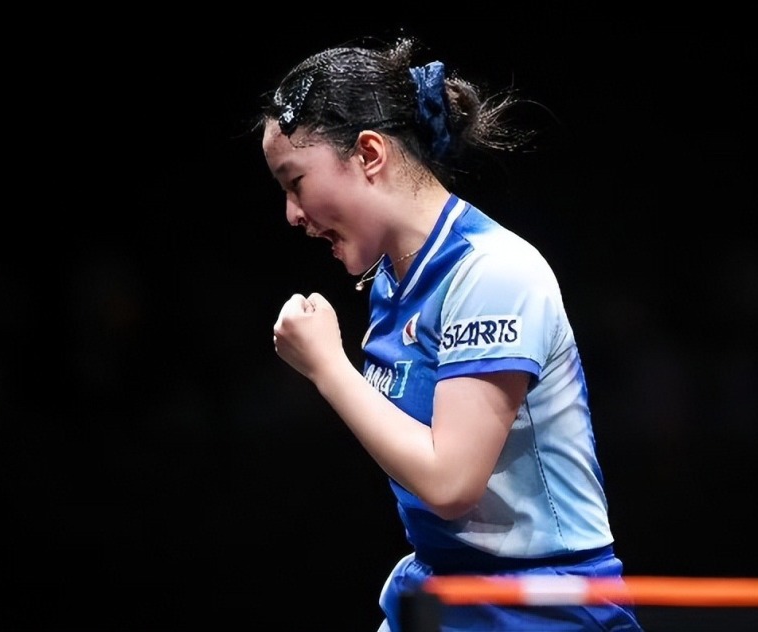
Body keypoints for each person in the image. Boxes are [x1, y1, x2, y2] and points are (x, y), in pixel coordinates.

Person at [261, 36, 644, 632]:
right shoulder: (391, 282)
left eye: (296, 182)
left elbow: (450, 483)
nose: (292, 214)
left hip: (545, 606)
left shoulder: (493, 272)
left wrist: (328, 367)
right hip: (443, 590)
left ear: (369, 154)